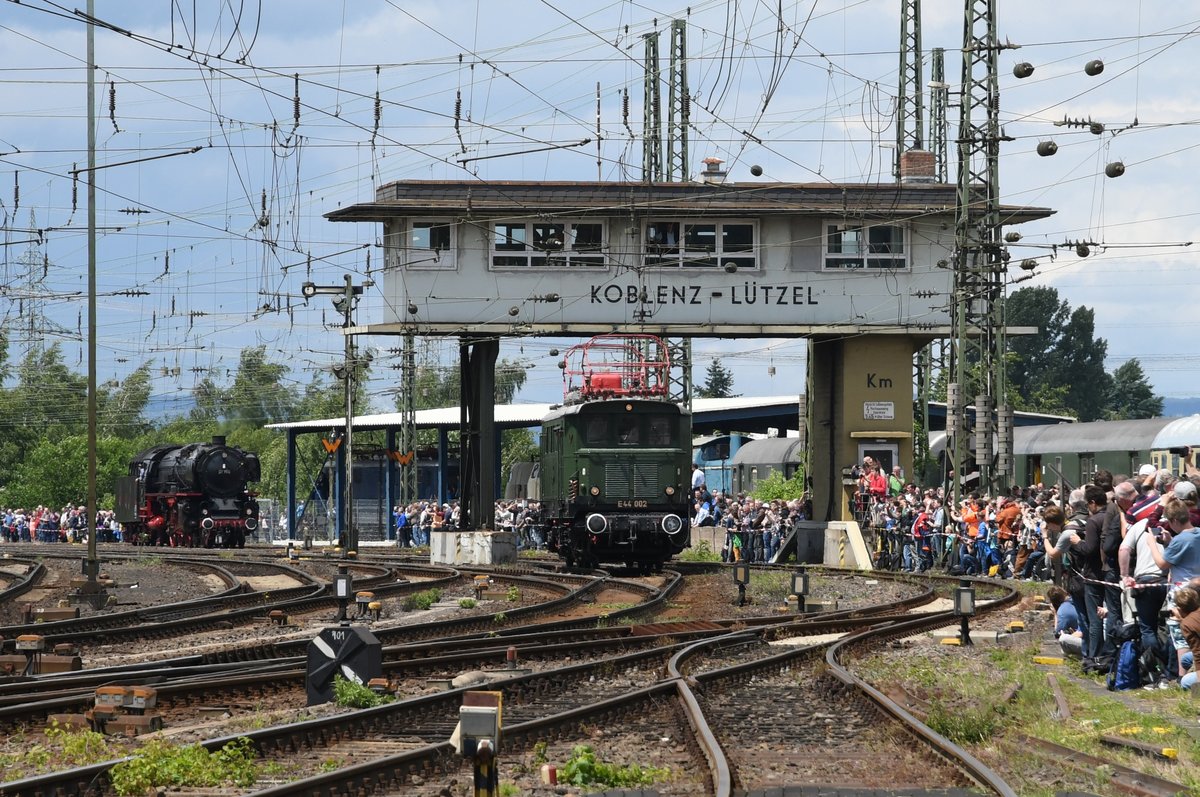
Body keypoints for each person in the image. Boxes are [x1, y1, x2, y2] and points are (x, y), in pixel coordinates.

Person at [1047, 585, 1084, 659]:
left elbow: (1058, 632)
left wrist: (1055, 614)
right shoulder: (1078, 600)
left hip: (1087, 641)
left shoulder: (1062, 611)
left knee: (1063, 641)